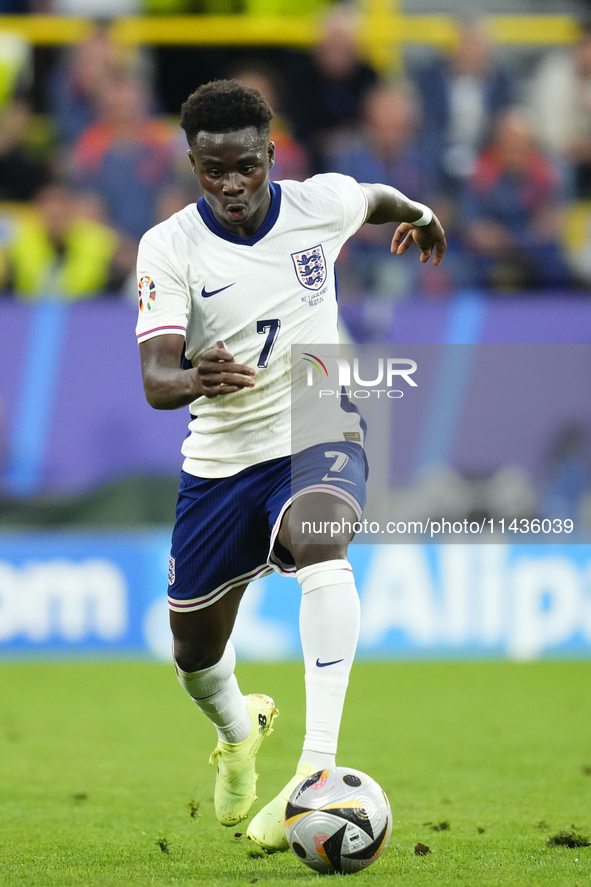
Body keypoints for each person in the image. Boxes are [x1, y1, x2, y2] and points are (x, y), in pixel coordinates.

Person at [136, 79, 445, 852]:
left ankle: (314, 772)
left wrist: (420, 213)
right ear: (193, 164)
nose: (231, 184)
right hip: (219, 461)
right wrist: (193, 378)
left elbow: (372, 196)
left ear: (272, 155)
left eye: (245, 166)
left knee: (321, 543)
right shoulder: (168, 247)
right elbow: (155, 379)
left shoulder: (318, 204)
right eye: (213, 171)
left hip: (318, 422)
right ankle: (241, 731)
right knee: (195, 658)